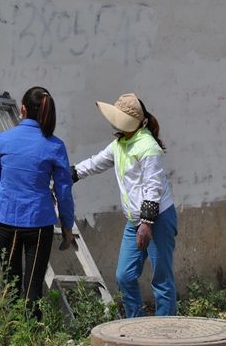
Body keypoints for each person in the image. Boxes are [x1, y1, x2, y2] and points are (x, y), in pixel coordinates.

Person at [72, 93, 177, 317]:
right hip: (135, 220)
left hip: (157, 219)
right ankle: (135, 325)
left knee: (162, 279)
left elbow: (153, 187)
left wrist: (146, 223)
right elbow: (95, 163)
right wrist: (70, 174)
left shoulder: (148, 146)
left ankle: (167, 329)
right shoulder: (120, 144)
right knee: (125, 276)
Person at [0, 86, 75, 317]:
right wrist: (67, 227)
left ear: (22, 109)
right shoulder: (55, 145)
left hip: (5, 220)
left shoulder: (3, 140)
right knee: (33, 288)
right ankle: (34, 332)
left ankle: (11, 331)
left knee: (10, 284)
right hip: (38, 222)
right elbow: (64, 191)